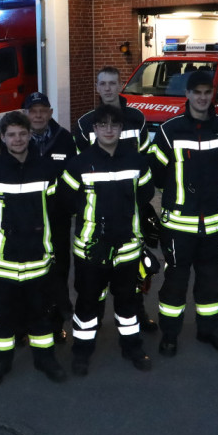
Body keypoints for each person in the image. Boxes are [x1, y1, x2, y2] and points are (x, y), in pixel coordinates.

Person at [145, 69, 218, 357]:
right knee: (175, 285)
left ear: (213, 95)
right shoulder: (169, 130)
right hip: (179, 228)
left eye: (207, 93)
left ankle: (209, 330)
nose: (202, 98)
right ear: (187, 95)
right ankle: (169, 335)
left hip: (215, 226)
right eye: (196, 93)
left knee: (210, 283)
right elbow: (156, 174)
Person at [59, 102, 155, 375]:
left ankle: (132, 347)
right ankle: (82, 351)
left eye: (114, 125)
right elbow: (65, 199)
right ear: (95, 129)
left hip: (127, 248)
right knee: (87, 302)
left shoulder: (136, 160)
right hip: (90, 250)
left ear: (122, 128)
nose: (109, 129)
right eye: (103, 125)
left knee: (128, 302)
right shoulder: (79, 163)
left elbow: (146, 194)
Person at [0, 111, 69, 385]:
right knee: (4, 318)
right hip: (3, 259)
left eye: (22, 134)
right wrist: (8, 229)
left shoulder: (47, 169)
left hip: (38, 258)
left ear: (29, 135)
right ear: (2, 137)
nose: (17, 139)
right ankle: (0, 363)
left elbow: (54, 209)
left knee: (40, 315)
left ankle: (45, 359)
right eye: (11, 134)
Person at [74, 65, 156, 334]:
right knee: (94, 270)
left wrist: (142, 205)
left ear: (120, 85)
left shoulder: (137, 119)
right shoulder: (85, 123)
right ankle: (93, 320)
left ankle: (138, 313)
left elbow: (146, 161)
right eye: (103, 84)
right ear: (96, 88)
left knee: (132, 269)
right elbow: (79, 166)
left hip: (131, 208)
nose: (108, 88)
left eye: (112, 83)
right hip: (97, 209)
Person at [25, 91, 77, 342]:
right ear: (26, 114)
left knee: (58, 272)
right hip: (26, 222)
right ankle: (28, 324)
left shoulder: (65, 139)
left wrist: (68, 207)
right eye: (33, 110)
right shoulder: (17, 138)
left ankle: (56, 325)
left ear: (51, 113)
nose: (38, 115)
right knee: (28, 275)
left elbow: (73, 178)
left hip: (57, 220)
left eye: (42, 110)